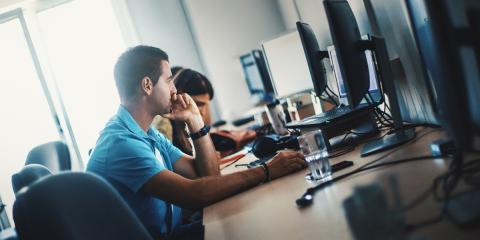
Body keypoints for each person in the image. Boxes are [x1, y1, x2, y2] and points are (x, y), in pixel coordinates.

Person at [86, 45, 306, 240]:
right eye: (169, 80)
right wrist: (266, 170)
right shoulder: (121, 143)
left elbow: (207, 176)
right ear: (147, 85)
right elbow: (194, 195)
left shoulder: (147, 133)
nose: (174, 89)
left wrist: (195, 121)